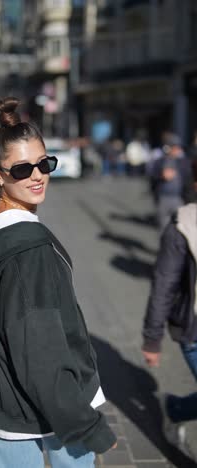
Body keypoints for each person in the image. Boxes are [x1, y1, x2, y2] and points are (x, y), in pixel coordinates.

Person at [0, 97, 117, 468]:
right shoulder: (32, 249)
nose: (37, 175)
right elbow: (40, 347)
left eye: (45, 163)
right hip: (55, 406)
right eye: (23, 168)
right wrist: (87, 425)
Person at [141, 182, 197, 452]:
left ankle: (175, 408)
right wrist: (152, 339)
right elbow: (164, 285)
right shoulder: (182, 227)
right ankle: (174, 409)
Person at [150, 134, 192, 232]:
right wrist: (161, 175)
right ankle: (163, 247)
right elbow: (152, 175)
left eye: (178, 147)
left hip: (178, 198)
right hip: (163, 197)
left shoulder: (183, 162)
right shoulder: (160, 161)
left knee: (179, 228)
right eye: (175, 147)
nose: (177, 150)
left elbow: (188, 178)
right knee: (163, 227)